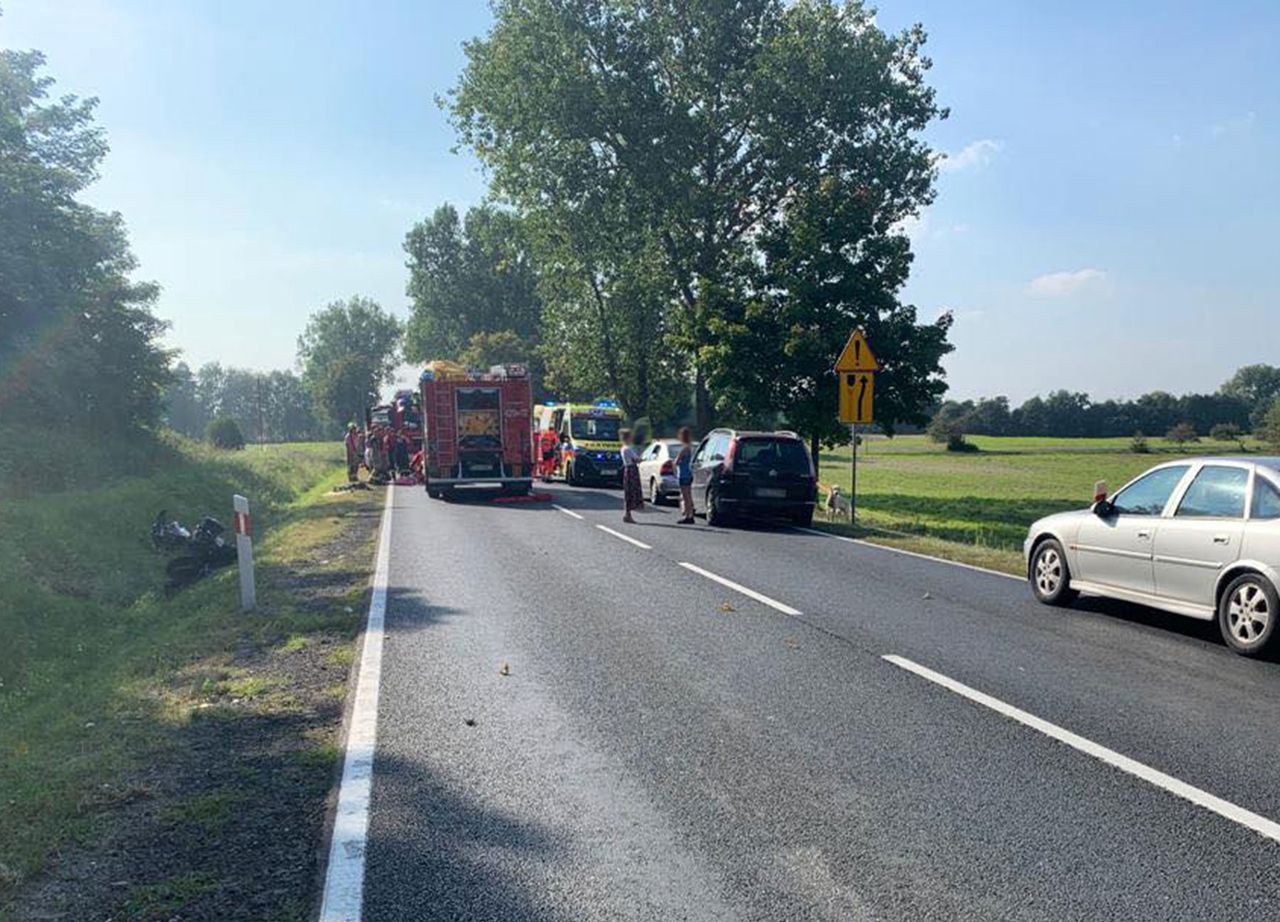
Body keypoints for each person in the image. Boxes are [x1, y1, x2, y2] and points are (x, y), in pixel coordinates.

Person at [620, 428, 643, 523]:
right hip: (632, 470)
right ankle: (628, 514)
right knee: (632, 491)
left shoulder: (623, 448)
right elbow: (636, 459)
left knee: (628, 492)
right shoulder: (628, 449)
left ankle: (627, 513)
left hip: (627, 469)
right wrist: (642, 459)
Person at [674, 426, 695, 524]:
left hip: (683, 474)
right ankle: (690, 513)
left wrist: (675, 461)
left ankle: (688, 516)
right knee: (688, 496)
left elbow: (676, 461)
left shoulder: (684, 449)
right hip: (689, 473)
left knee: (685, 496)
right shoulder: (691, 447)